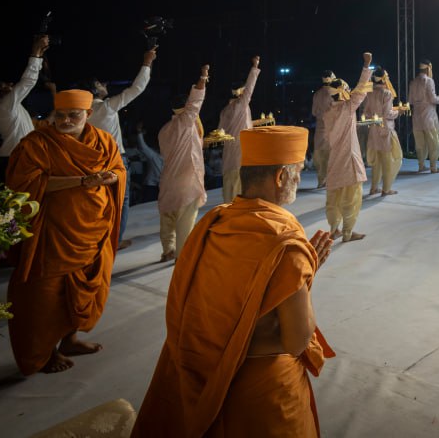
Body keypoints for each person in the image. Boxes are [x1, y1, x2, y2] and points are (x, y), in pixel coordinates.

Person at [131, 126, 335, 437]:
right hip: (263, 393)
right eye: (297, 171)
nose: (300, 176)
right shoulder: (286, 244)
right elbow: (297, 341)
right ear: (281, 176)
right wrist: (304, 275)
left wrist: (300, 272)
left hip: (205, 372)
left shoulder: (214, 222)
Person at [4, 89, 125, 375]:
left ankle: (69, 340)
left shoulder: (104, 140)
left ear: (88, 114)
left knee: (84, 288)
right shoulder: (37, 143)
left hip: (94, 228)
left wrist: (113, 177)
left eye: (73, 115)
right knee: (44, 295)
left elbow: (119, 169)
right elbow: (25, 185)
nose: (66, 120)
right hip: (53, 231)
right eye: (60, 115)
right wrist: (82, 180)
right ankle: (43, 353)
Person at [85, 46, 156, 250]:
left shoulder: (83, 113)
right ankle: (115, 240)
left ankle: (97, 239)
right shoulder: (106, 107)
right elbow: (137, 88)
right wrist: (147, 62)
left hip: (93, 162)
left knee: (99, 202)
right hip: (115, 160)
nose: (105, 85)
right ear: (94, 89)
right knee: (121, 201)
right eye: (100, 83)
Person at [156, 66, 210, 262]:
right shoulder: (186, 122)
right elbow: (196, 100)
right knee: (185, 220)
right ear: (185, 107)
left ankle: (168, 250)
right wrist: (203, 77)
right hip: (185, 181)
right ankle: (182, 256)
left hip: (168, 179)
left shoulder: (164, 130)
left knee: (167, 215)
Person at [323, 54, 374, 242]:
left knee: (334, 196)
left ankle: (333, 230)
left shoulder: (328, 113)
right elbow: (361, 89)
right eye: (346, 89)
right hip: (349, 158)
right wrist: (366, 65)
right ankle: (347, 232)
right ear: (343, 92)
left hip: (335, 159)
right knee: (351, 197)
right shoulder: (348, 108)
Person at [0, 34, 49, 175]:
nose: (11, 85)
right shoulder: (4, 105)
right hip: (13, 156)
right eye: (6, 85)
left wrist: (39, 55)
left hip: (17, 155)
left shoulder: (12, 106)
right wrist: (35, 53)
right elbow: (27, 82)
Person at [219, 56, 261, 202]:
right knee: (239, 194)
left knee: (228, 194)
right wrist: (255, 66)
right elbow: (250, 87)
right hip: (240, 156)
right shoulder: (241, 105)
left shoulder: (225, 110)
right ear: (241, 92)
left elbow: (221, 132)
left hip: (228, 158)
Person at [361, 68, 402, 196]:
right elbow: (388, 113)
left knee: (377, 162)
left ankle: (374, 188)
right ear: (384, 78)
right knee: (390, 160)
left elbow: (366, 113)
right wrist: (398, 112)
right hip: (385, 129)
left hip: (373, 129)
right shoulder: (386, 93)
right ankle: (386, 189)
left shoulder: (369, 92)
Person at [408, 59, 439, 174]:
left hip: (417, 117)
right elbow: (433, 99)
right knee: (433, 141)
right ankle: (433, 167)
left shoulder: (413, 82)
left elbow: (410, 101)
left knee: (420, 142)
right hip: (428, 116)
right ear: (428, 68)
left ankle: (421, 166)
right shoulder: (429, 81)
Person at [311, 70, 337, 188]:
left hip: (319, 128)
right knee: (329, 155)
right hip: (331, 128)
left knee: (319, 154)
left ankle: (321, 180)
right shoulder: (334, 93)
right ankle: (328, 180)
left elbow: (314, 112)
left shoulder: (317, 94)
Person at [130, 121, 163, 203]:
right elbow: (143, 147)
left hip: (162, 186)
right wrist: (139, 132)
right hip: (150, 186)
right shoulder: (154, 155)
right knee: (147, 207)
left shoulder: (172, 158)